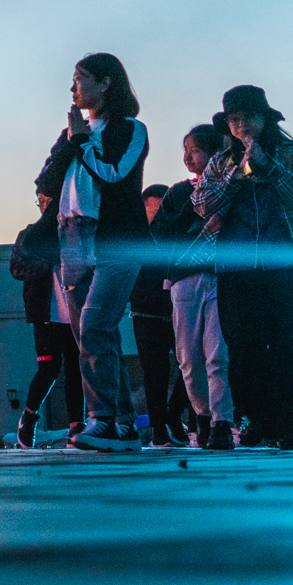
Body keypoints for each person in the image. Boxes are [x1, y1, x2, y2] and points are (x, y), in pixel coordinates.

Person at [35, 53, 149, 452]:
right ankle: (123, 425)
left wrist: (82, 142)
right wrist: (71, 141)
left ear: (105, 83)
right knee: (89, 333)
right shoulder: (71, 132)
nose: (72, 88)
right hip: (71, 236)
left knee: (97, 324)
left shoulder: (131, 129)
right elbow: (45, 181)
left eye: (79, 79)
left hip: (116, 238)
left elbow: (115, 176)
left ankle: (102, 418)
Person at [193, 85, 293, 449]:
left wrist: (265, 164)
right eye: (234, 120)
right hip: (236, 265)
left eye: (247, 119)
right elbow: (202, 204)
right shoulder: (220, 160)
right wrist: (237, 174)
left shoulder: (291, 153)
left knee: (291, 342)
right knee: (244, 347)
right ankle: (257, 420)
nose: (241, 127)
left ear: (264, 120)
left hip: (284, 262)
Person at [156, 123, 233, 450]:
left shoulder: (229, 188)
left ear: (214, 153)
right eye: (185, 151)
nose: (188, 157)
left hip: (218, 274)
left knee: (218, 353)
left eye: (195, 151)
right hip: (184, 277)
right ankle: (201, 415)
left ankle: (221, 422)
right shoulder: (177, 193)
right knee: (188, 356)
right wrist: (192, 208)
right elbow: (160, 233)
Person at [10, 194, 83, 448]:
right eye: (40, 200)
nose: (45, 205)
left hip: (74, 313)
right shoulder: (29, 235)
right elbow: (17, 268)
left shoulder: (75, 232)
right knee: (49, 370)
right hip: (45, 314)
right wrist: (48, 260)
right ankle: (29, 418)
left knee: (76, 370)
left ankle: (77, 427)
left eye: (49, 199)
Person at [129, 185, 190, 448]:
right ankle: (159, 430)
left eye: (159, 211)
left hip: (177, 310)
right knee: (154, 373)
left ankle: (174, 414)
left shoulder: (179, 235)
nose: (153, 218)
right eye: (149, 211)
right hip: (146, 312)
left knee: (191, 365)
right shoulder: (135, 239)